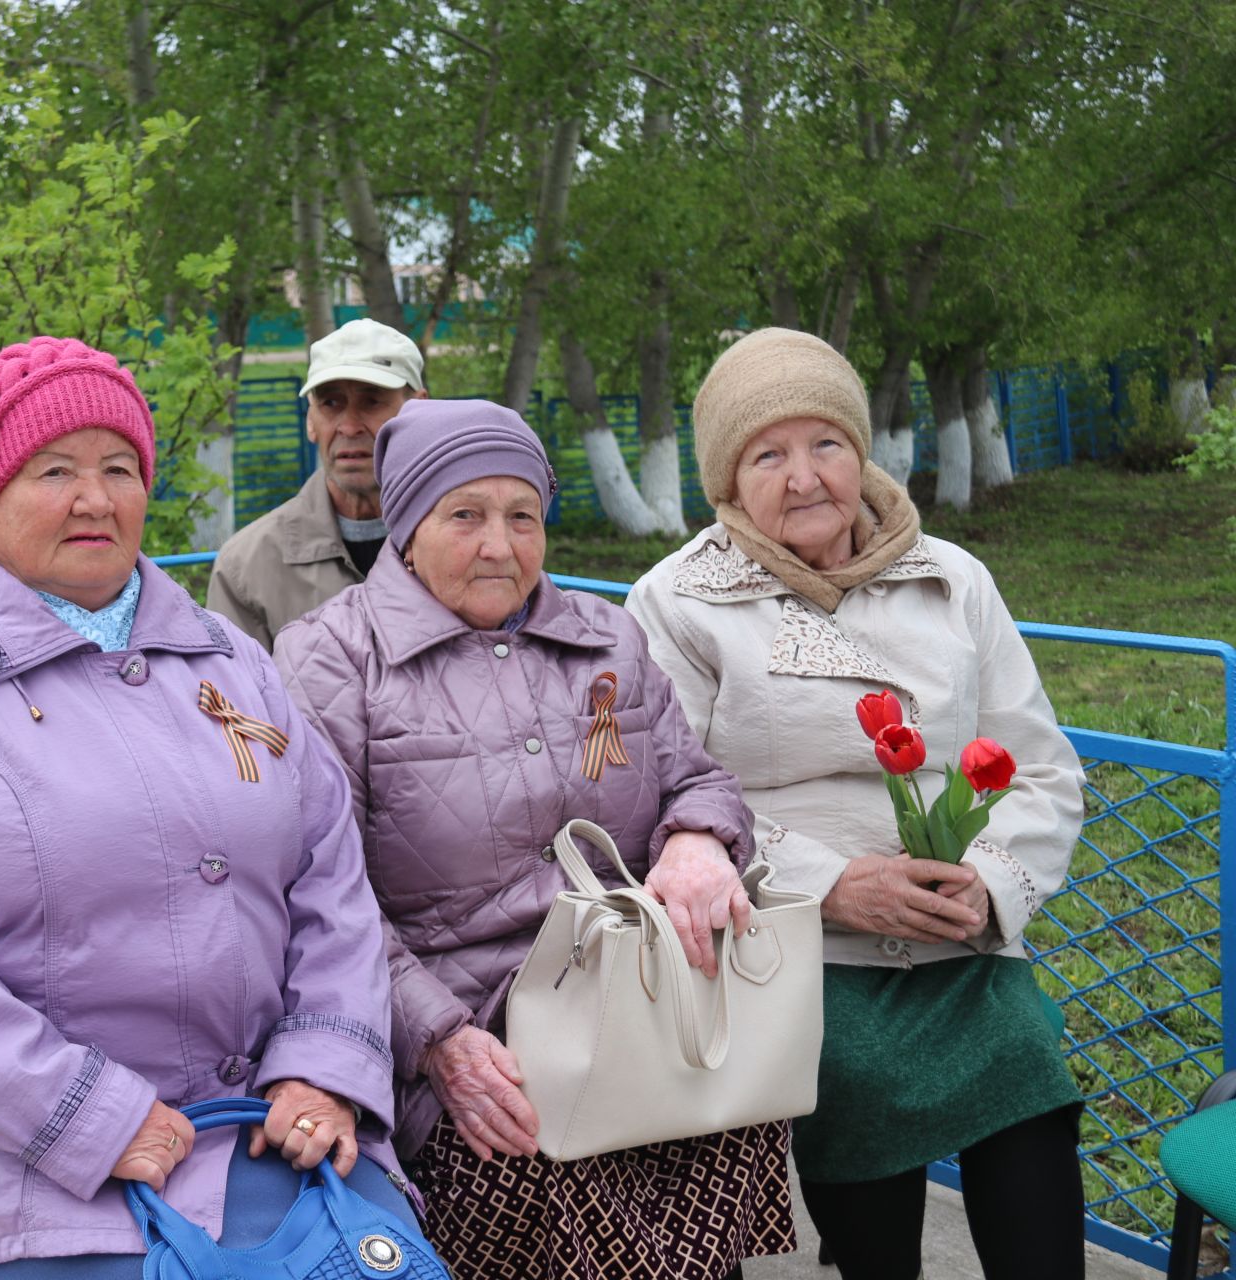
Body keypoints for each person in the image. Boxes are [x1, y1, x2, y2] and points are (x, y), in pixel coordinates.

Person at [0, 336, 416, 1280]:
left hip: (261, 1126)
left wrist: (321, 1065)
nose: (95, 498)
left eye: (120, 468)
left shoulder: (232, 661)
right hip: (15, 1154)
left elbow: (330, 877)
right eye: (54, 470)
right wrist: (89, 1115)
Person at [275, 398, 794, 1280]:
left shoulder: (605, 637)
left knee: (711, 1137)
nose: (499, 545)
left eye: (523, 516)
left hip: (642, 1005)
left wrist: (699, 841)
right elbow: (317, 894)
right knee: (544, 1159)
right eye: (464, 516)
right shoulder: (333, 661)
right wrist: (437, 1041)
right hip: (471, 1037)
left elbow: (698, 781)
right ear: (405, 526)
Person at [626, 328, 1087, 1280]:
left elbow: (1043, 768)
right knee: (867, 1151)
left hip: (965, 951)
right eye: (768, 454)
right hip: (799, 959)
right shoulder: (676, 602)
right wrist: (833, 885)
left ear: (860, 452)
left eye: (826, 444)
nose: (804, 478)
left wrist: (990, 886)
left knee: (1033, 1099)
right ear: (726, 481)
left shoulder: (955, 580)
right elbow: (657, 799)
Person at [207, 318, 430, 649]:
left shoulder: (469, 542)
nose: (350, 426)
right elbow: (231, 696)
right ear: (311, 421)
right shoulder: (249, 566)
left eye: (372, 401)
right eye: (331, 403)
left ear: (419, 409)